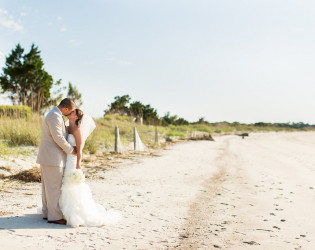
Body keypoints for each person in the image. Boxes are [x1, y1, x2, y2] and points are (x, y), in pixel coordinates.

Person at [59, 108, 122, 227]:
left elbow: (80, 149)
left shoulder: (77, 131)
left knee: (71, 185)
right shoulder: (67, 128)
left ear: (76, 117)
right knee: (64, 184)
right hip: (64, 159)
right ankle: (62, 211)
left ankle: (74, 213)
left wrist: (78, 164)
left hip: (72, 161)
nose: (70, 113)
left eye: (73, 112)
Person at [37, 98, 77, 225]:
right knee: (54, 188)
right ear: (65, 109)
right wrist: (71, 150)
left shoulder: (55, 114)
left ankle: (46, 212)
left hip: (48, 157)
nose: (69, 113)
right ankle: (54, 216)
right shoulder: (54, 116)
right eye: (69, 111)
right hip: (52, 158)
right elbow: (58, 137)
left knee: (47, 188)